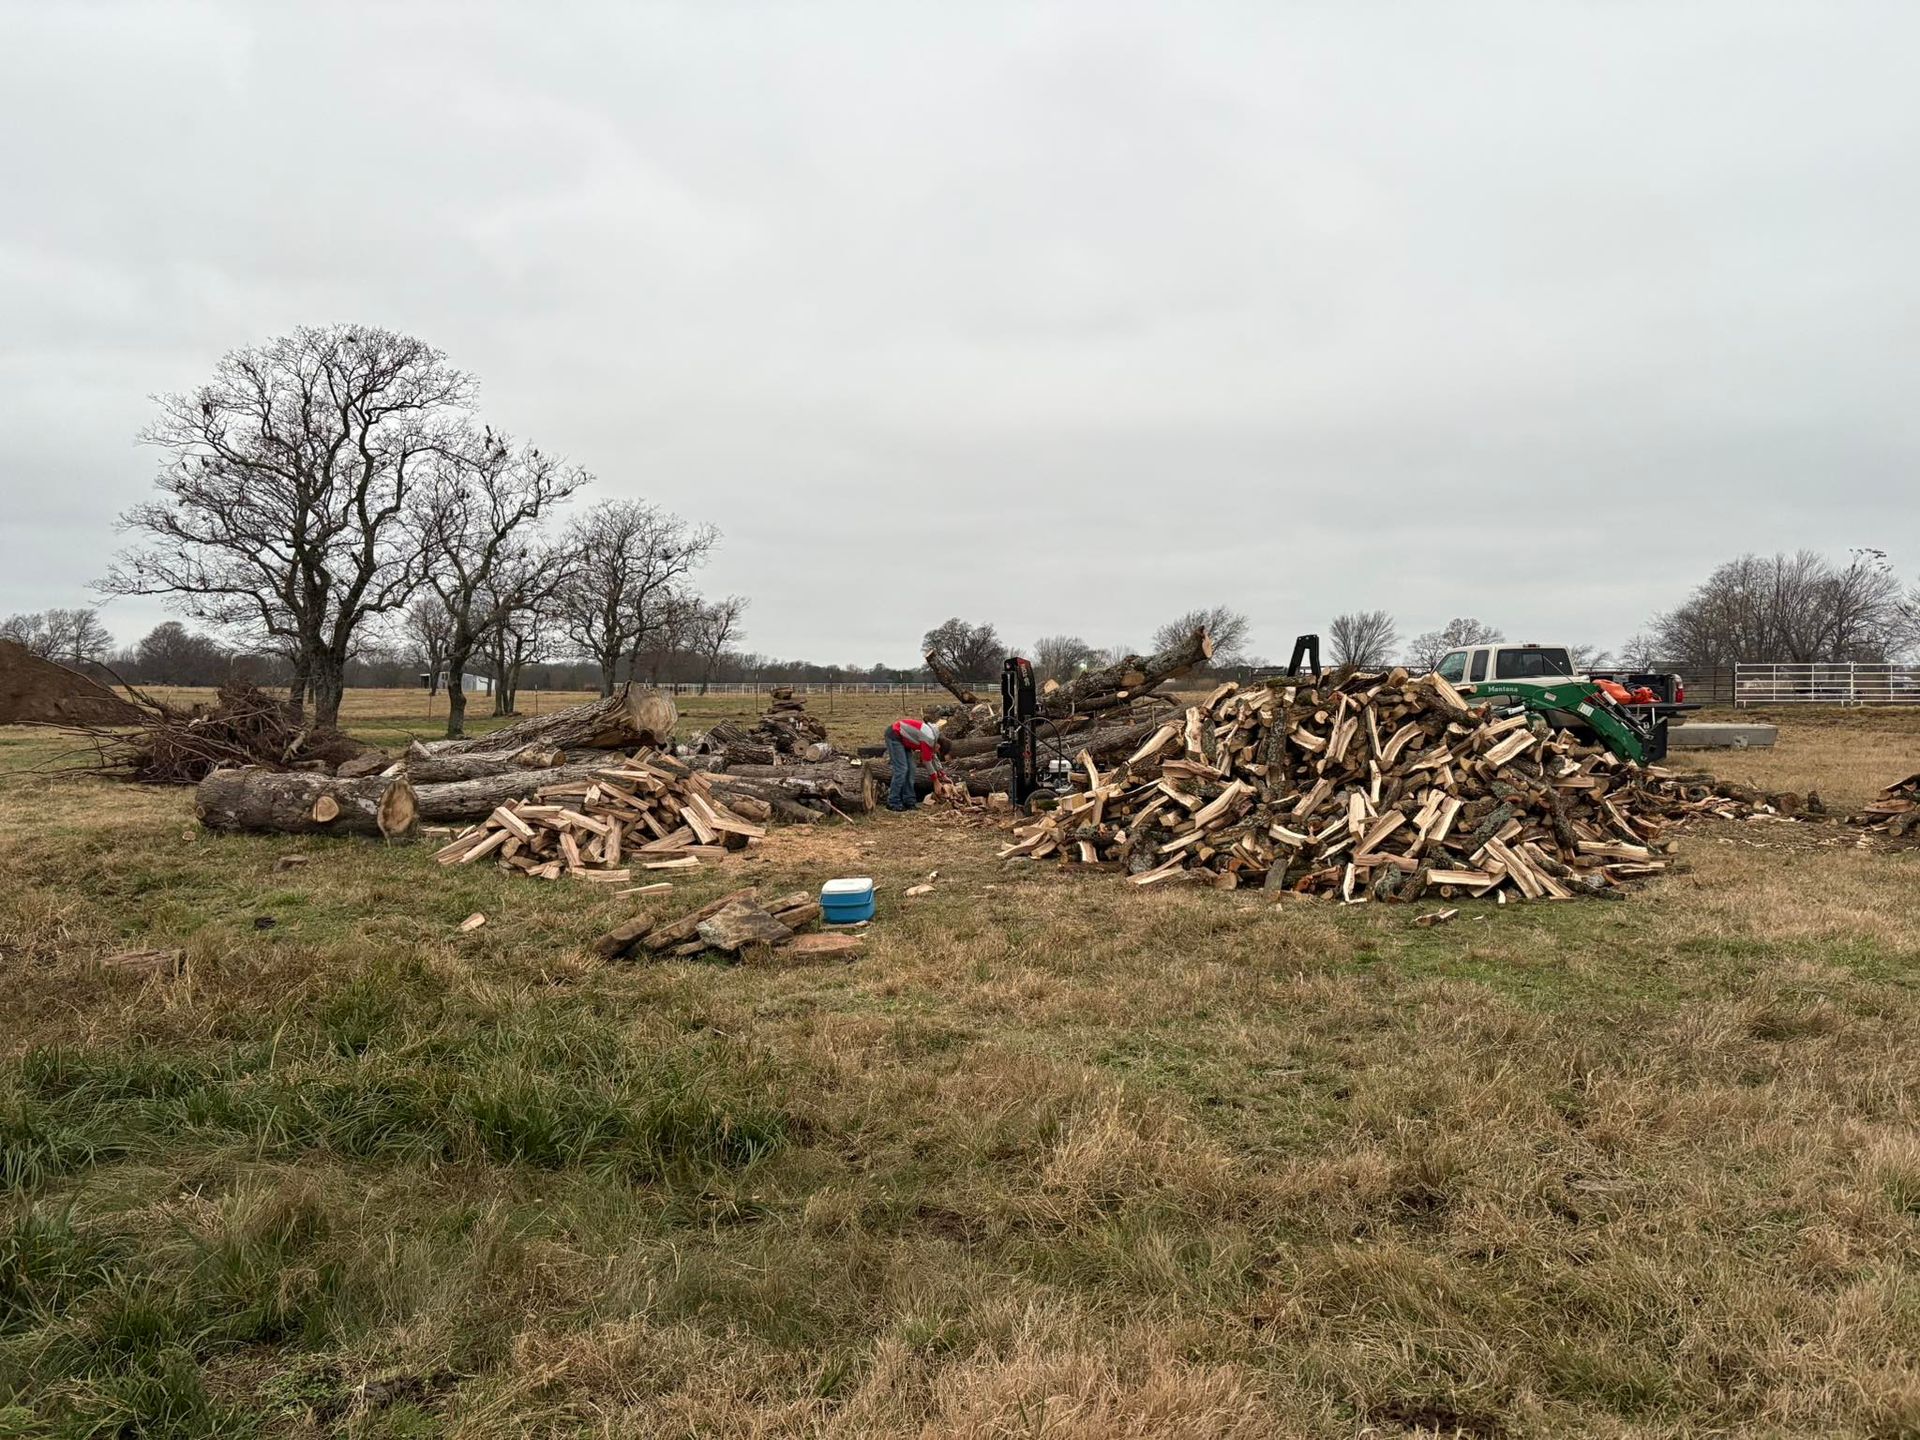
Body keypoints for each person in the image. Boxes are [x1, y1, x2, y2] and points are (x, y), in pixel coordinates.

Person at [884, 716, 950, 811]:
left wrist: (942, 775)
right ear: (938, 746)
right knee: (902, 769)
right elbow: (926, 761)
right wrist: (936, 781)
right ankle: (893, 802)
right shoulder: (929, 738)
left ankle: (909, 801)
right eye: (937, 752)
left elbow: (933, 758)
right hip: (895, 735)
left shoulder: (934, 740)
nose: (935, 753)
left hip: (904, 740)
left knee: (911, 769)